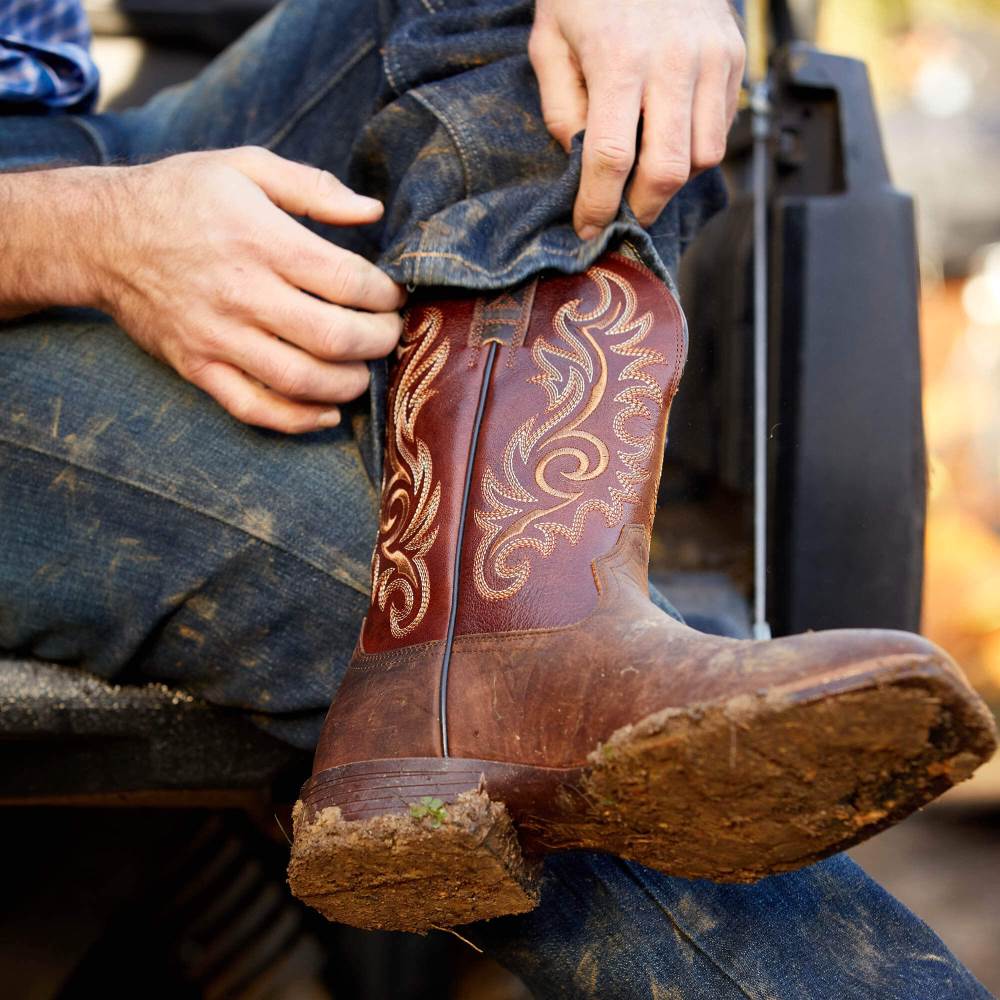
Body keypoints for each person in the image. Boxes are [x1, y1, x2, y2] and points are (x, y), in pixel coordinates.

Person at [1, 0, 996, 996]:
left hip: (83, 140)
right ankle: (497, 673)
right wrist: (76, 231)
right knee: (391, 598)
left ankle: (522, 634)